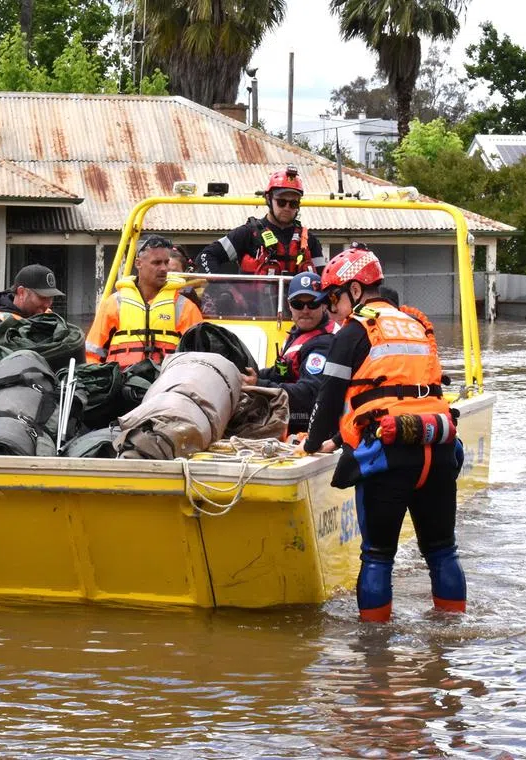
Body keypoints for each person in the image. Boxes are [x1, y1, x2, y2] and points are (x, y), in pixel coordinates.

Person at [300, 245, 466, 623]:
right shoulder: (416, 325)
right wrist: (340, 440)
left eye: (334, 298)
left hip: (390, 454)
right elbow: (401, 393)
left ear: (355, 291)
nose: (331, 309)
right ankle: (452, 637)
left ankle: (374, 656)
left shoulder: (354, 331)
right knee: (442, 552)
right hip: (437, 447)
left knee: (377, 555)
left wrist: (311, 444)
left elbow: (328, 399)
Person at [240, 272, 336, 434]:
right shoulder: (296, 334)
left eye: (312, 304)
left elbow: (309, 394)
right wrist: (251, 374)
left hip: (305, 423)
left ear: (324, 305)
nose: (305, 310)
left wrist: (259, 386)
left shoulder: (323, 345)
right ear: (289, 305)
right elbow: (281, 371)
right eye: (298, 304)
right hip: (289, 415)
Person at [86, 235, 203, 368]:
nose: (164, 268)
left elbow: (199, 359)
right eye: (157, 263)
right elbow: (92, 354)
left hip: (167, 384)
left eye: (166, 262)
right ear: (138, 263)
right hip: (121, 384)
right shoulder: (113, 304)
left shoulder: (185, 307)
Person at [196, 164, 325, 277]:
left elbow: (322, 279)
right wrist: (221, 288)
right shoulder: (247, 234)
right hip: (253, 305)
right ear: (268, 199)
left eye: (293, 204)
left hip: (297, 305)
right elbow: (205, 257)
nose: (287, 207)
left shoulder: (310, 241)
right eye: (281, 202)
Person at [0, 263, 64, 344]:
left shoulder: (50, 319)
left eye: (51, 298)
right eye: (42, 297)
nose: (47, 304)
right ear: (21, 292)